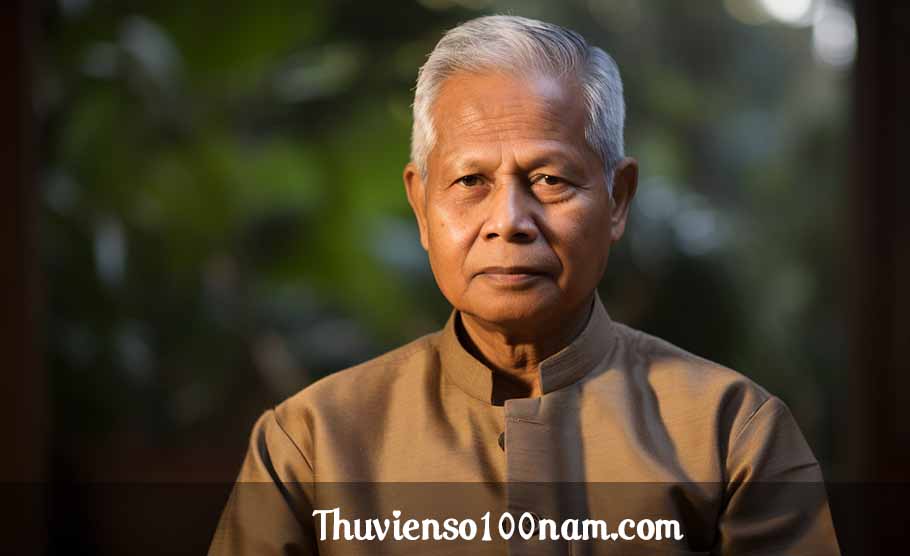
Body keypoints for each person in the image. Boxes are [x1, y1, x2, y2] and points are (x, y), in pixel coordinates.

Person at [209, 14, 840, 555]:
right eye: (470, 182)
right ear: (421, 204)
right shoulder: (311, 444)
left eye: (549, 180)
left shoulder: (731, 435)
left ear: (618, 199)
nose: (509, 221)